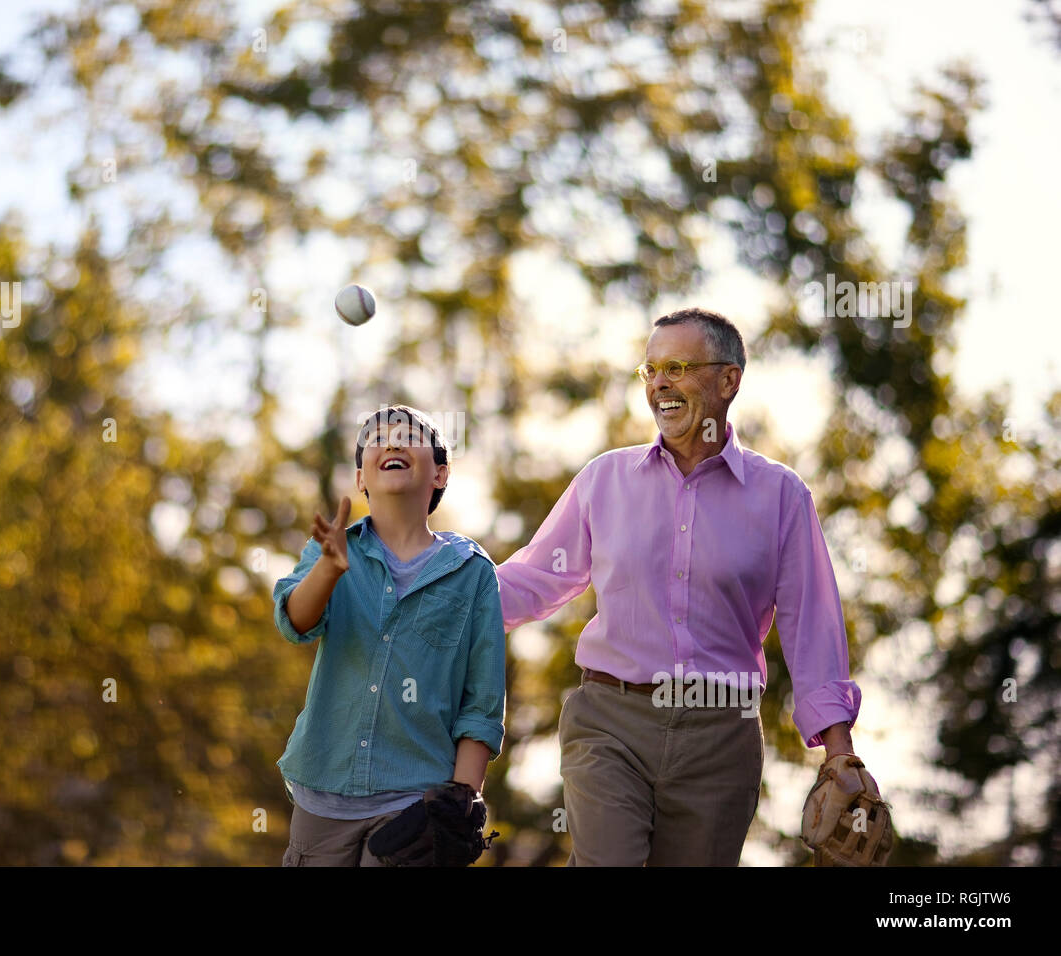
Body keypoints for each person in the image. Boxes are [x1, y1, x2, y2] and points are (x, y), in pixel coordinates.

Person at [496, 307, 866, 866]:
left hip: (720, 737)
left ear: (728, 380)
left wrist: (839, 750)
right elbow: (533, 578)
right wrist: (432, 593)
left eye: (676, 367)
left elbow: (811, 624)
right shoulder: (605, 480)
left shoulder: (781, 496)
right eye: (649, 371)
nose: (659, 384)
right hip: (611, 721)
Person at [273, 404, 506, 866]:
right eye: (378, 439)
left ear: (439, 474)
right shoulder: (332, 548)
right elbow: (295, 623)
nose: (392, 443)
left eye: (408, 437)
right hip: (321, 796)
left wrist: (460, 803)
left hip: (413, 808)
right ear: (361, 478)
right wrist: (329, 567)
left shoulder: (473, 573)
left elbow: (482, 703)